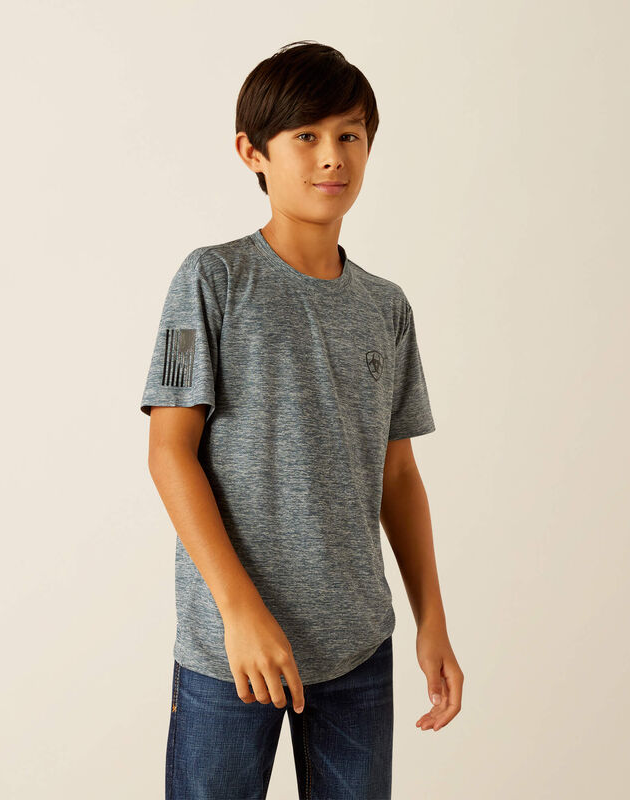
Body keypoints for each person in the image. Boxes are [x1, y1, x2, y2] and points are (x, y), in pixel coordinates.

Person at [140, 40, 463, 800]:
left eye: (350, 135)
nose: (331, 157)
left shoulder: (386, 307)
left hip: (357, 649)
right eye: (306, 136)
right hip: (230, 651)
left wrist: (432, 620)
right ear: (253, 152)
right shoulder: (212, 280)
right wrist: (239, 611)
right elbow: (169, 452)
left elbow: (398, 475)